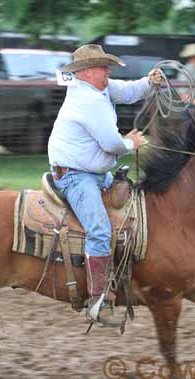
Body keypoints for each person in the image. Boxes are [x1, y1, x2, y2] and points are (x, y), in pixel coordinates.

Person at [48, 44, 162, 326]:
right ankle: (98, 300)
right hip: (76, 176)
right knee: (99, 230)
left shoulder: (100, 88)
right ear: (86, 72)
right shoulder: (89, 101)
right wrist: (131, 143)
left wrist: (148, 82)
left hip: (92, 172)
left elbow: (129, 90)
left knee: (133, 206)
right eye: (102, 66)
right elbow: (111, 143)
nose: (107, 71)